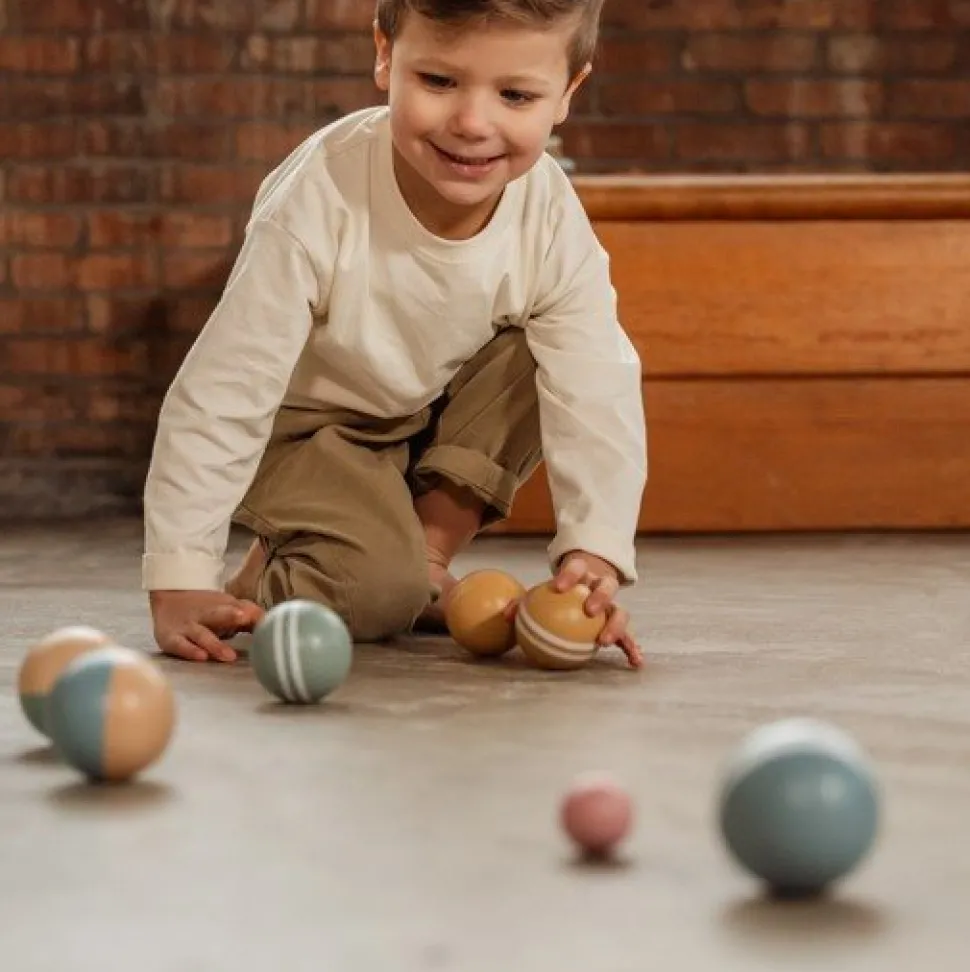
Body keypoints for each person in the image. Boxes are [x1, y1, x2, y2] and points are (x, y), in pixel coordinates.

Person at [142, 0, 648, 669]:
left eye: (516, 95)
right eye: (438, 82)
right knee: (373, 595)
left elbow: (596, 388)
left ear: (567, 92)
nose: (472, 123)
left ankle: (426, 557)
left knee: (553, 351)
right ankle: (284, 564)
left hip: (413, 420)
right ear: (385, 55)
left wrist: (595, 550)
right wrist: (181, 576)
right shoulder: (322, 195)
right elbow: (228, 386)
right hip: (300, 435)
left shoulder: (548, 215)